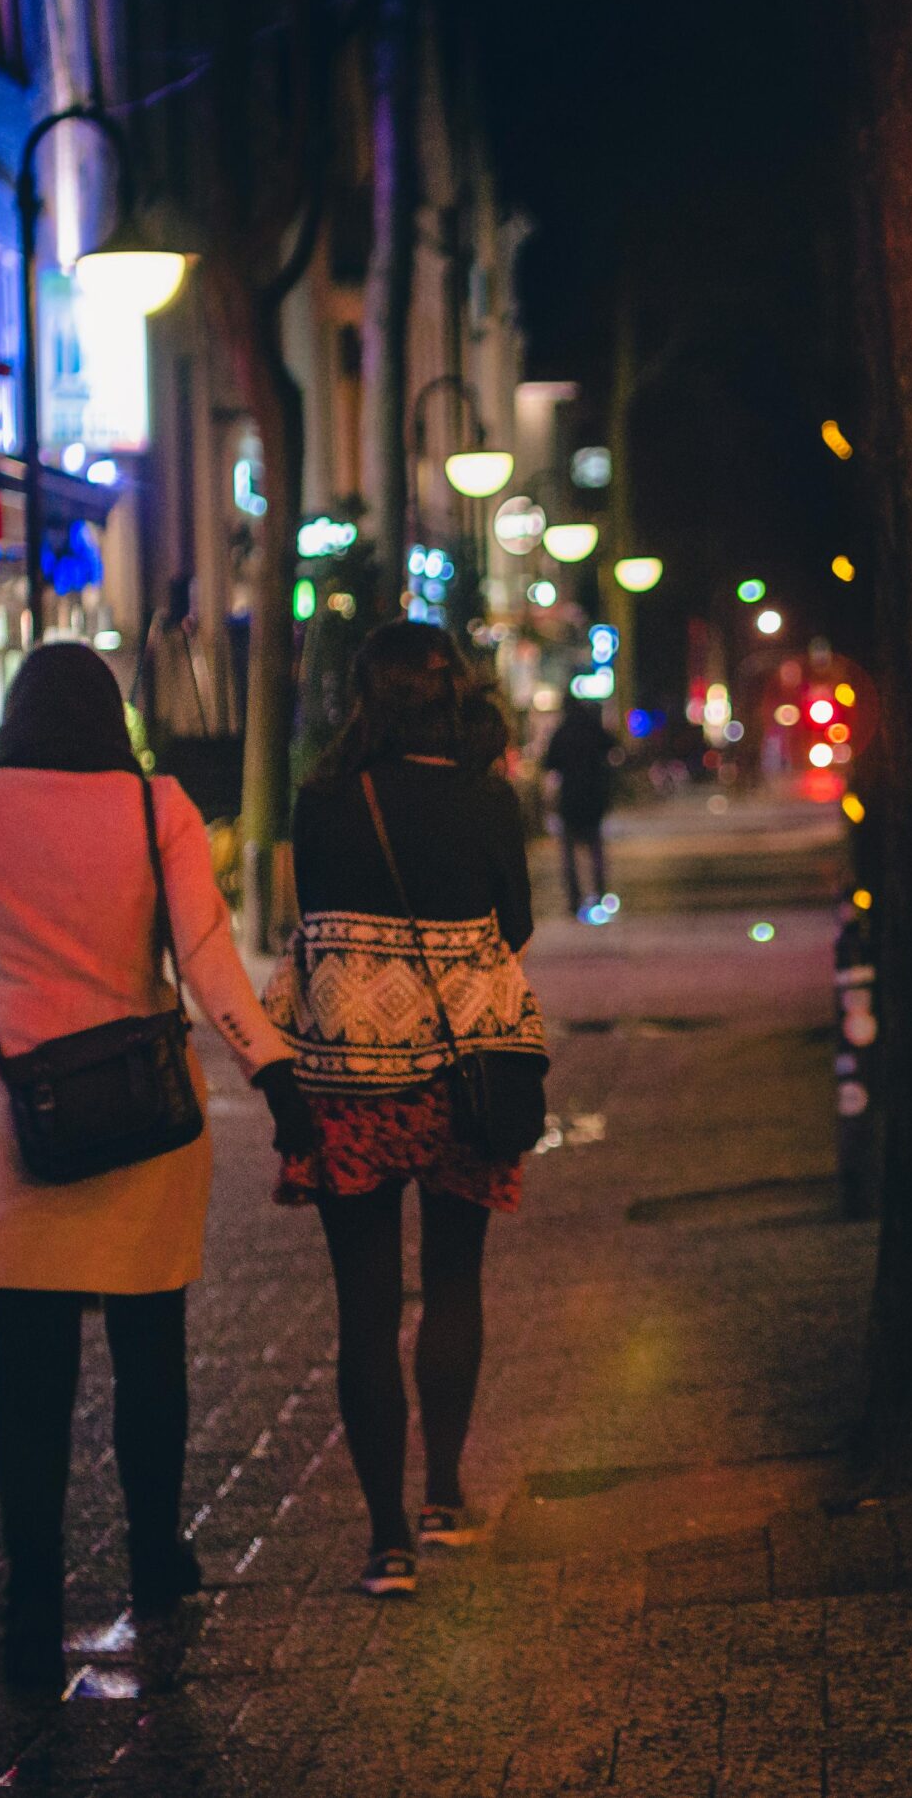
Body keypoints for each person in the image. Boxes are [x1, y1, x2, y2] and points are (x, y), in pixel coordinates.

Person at [0, 644, 316, 1688]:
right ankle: (154, 1556)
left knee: (30, 1371)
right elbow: (205, 957)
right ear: (113, 715)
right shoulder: (160, 807)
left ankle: (33, 1596)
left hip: (20, 1115)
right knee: (151, 1348)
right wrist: (273, 1073)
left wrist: (20, 979)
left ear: (14, 716)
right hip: (145, 1112)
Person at [266, 621, 545, 1597]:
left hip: (348, 1073)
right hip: (467, 1068)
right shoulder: (483, 798)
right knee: (454, 1280)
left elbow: (309, 918)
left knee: (365, 1305)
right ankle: (445, 1493)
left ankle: (385, 1540)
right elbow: (515, 924)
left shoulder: (321, 799)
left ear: (363, 698)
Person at [543, 697, 617, 916]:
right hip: (593, 798)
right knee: (595, 849)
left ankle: (575, 898)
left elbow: (550, 763)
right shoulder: (593, 728)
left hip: (570, 800)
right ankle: (600, 891)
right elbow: (612, 746)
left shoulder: (562, 732)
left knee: (569, 854)